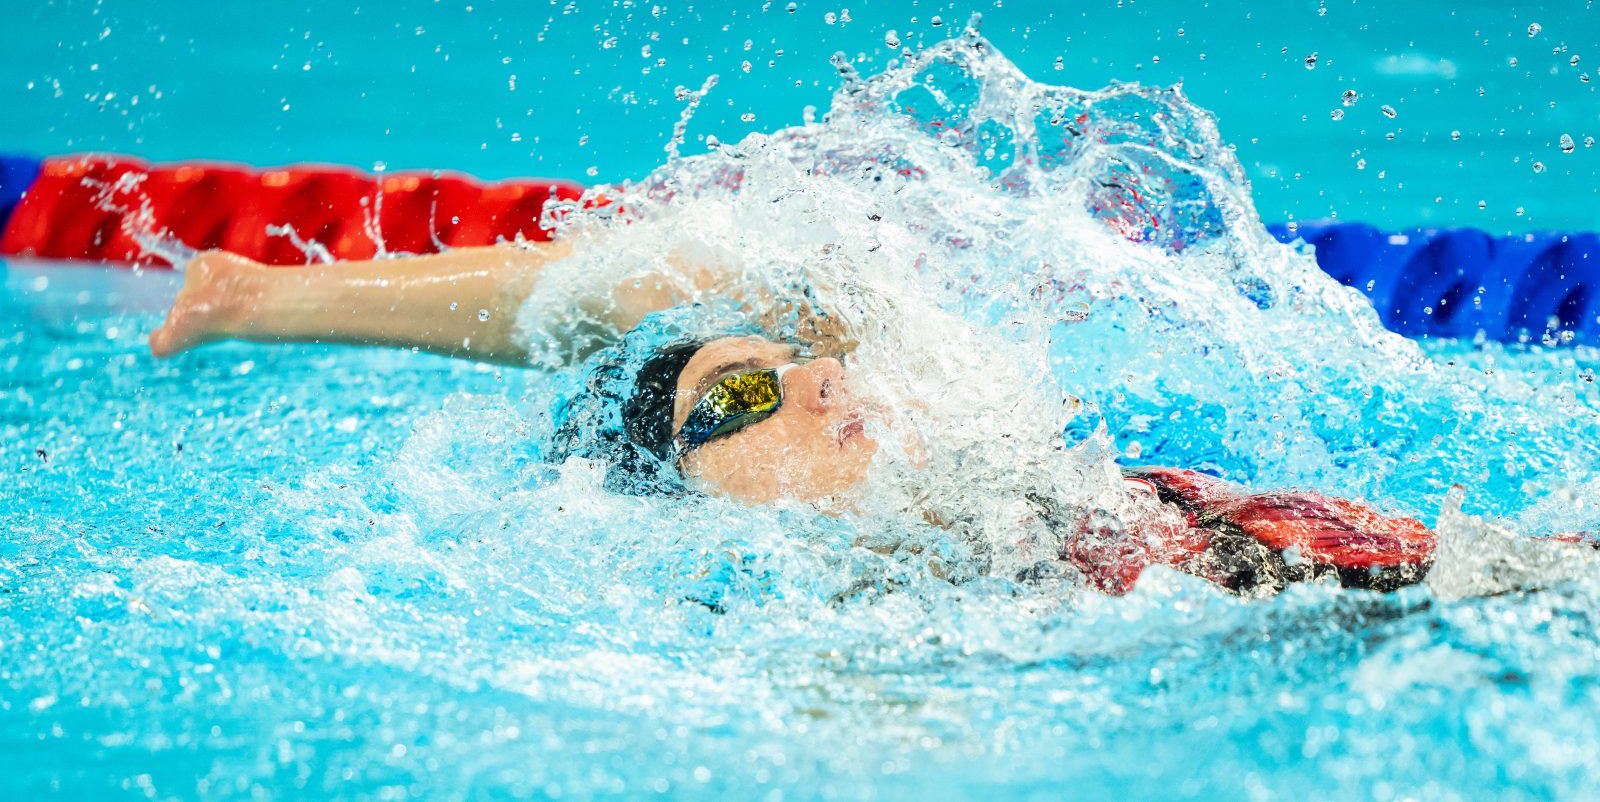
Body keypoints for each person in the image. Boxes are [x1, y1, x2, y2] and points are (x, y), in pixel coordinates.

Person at [153, 243, 1442, 597]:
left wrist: (271, 296)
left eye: (798, 360)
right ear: (673, 498)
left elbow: (656, 275)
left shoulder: (1010, 476)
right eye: (741, 397)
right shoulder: (839, 617)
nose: (817, 379)